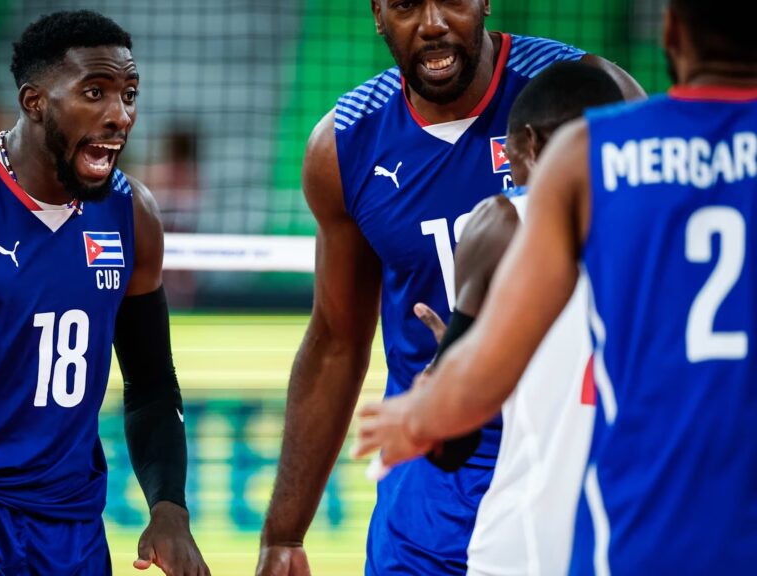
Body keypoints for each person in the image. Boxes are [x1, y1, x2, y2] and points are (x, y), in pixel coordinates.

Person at [353, 0, 755, 573]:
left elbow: (485, 371)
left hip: (640, 517)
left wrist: (426, 408)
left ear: (673, 29)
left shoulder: (587, 158)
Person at [257, 1, 644, 574]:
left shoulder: (583, 94)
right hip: (431, 471)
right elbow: (337, 341)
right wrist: (284, 534)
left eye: (453, 0)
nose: (433, 22)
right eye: (408, 4)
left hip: (564, 449)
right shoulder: (344, 144)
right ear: (378, 13)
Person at [0, 11, 209, 576]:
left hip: (71, 526)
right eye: (95, 93)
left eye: (129, 94)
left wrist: (169, 507)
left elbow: (152, 385)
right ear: (34, 102)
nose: (119, 115)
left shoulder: (133, 214)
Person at [395, 61, 625, 576]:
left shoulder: (502, 219)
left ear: (530, 146)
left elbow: (451, 446)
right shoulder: (667, 231)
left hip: (526, 549)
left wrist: (448, 370)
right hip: (638, 538)